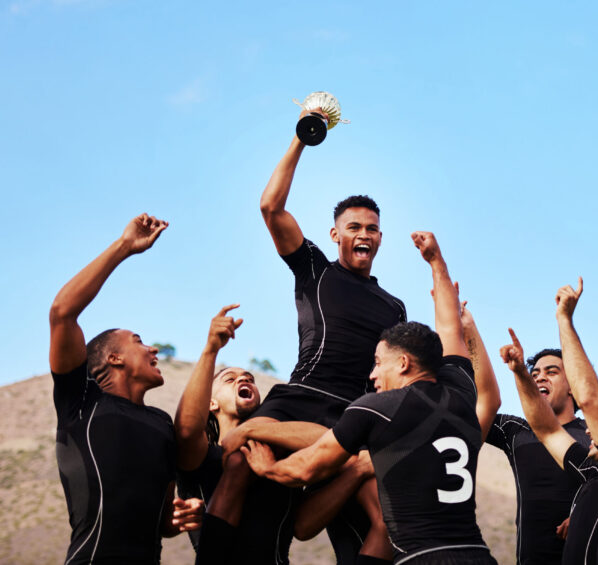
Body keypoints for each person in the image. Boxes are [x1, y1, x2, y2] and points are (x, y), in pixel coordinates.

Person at [242, 231, 501, 565]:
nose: (372, 375)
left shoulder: (377, 408)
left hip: (422, 558)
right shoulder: (461, 391)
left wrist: (270, 468)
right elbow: (451, 330)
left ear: (404, 363)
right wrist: (437, 263)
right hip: (479, 556)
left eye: (379, 363)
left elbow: (306, 469)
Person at [219, 110, 407, 563]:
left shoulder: (395, 307)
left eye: (372, 228)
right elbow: (271, 208)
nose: (364, 234)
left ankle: (344, 457)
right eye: (354, 227)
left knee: (386, 523)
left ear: (381, 238)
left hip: (353, 415)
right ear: (335, 234)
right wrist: (302, 138)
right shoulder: (315, 271)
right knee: (238, 456)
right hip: (300, 398)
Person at [175, 306, 386, 565]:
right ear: (211, 403)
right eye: (230, 379)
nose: (243, 380)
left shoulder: (281, 459)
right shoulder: (204, 456)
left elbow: (303, 527)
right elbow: (186, 430)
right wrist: (211, 349)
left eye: (249, 378)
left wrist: (359, 469)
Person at [49, 214, 202, 565]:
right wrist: (124, 247)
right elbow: (62, 313)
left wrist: (180, 515)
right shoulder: (81, 400)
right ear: (114, 358)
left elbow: (164, 520)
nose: (153, 350)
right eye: (139, 341)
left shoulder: (163, 423)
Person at [500, 278, 598, 565]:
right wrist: (520, 374)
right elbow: (547, 430)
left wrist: (564, 319)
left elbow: (588, 399)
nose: (589, 426)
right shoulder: (593, 474)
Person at [485, 347, 589, 565]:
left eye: (551, 372)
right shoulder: (516, 431)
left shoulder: (595, 433)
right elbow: (480, 402)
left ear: (573, 385)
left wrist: (587, 515)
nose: (541, 377)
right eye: (535, 374)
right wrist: (467, 330)